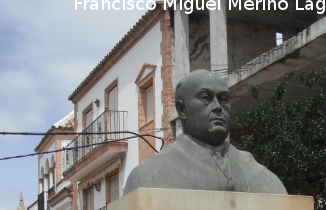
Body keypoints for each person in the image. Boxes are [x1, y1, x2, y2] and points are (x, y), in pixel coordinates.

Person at [123, 69, 287, 195]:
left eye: (223, 99)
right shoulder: (147, 178)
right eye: (206, 98)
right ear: (182, 110)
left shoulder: (262, 177)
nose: (217, 107)